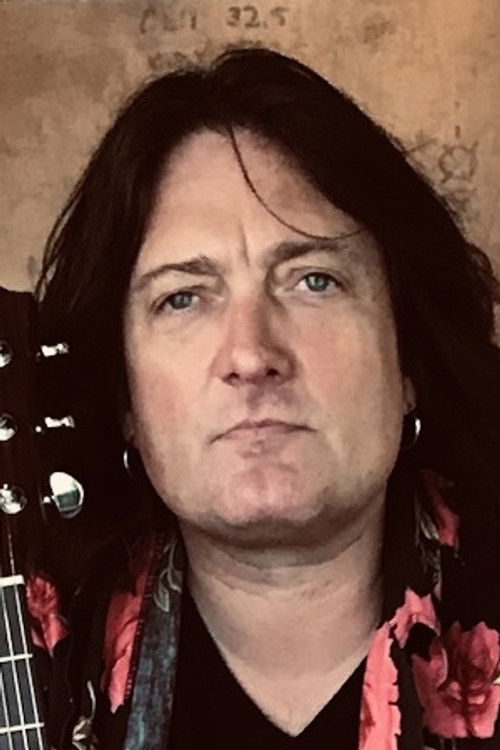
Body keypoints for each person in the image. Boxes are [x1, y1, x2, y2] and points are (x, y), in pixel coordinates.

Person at [24, 46, 500, 749]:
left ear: (409, 360)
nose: (251, 356)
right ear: (124, 397)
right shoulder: (36, 649)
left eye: (314, 281)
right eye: (183, 298)